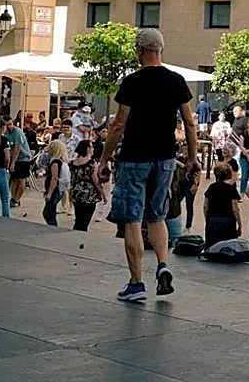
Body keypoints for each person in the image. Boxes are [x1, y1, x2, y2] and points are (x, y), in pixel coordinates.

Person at [104, 29, 199, 303]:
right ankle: (162, 264)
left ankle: (136, 283)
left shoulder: (132, 82)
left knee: (133, 219)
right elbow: (189, 123)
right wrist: (192, 158)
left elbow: (119, 124)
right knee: (157, 216)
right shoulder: (176, 81)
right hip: (166, 158)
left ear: (139, 50)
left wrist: (103, 158)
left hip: (135, 158)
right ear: (160, 49)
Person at [203, 162, 242, 246]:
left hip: (213, 219)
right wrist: (239, 225)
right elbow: (235, 209)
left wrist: (207, 219)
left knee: (212, 246)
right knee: (228, 247)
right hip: (228, 220)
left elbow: (205, 206)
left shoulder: (211, 187)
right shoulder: (231, 189)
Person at [69, 139, 104, 231]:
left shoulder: (73, 162)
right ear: (87, 149)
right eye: (92, 147)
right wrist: (103, 193)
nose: (93, 149)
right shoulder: (91, 163)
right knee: (85, 220)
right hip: (89, 194)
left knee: (79, 218)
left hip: (76, 192)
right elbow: (96, 181)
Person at [41, 140, 69, 227]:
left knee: (48, 212)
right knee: (50, 211)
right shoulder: (60, 161)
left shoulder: (55, 162)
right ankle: (52, 225)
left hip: (54, 189)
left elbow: (54, 178)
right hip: (57, 189)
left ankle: (53, 226)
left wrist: (49, 193)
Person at [6, 116, 32, 208]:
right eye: (7, 125)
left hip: (23, 158)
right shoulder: (5, 133)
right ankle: (13, 198)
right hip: (13, 157)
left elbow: (17, 148)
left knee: (21, 179)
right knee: (14, 179)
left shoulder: (17, 132)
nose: (9, 126)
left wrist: (12, 163)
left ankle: (17, 199)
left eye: (10, 124)